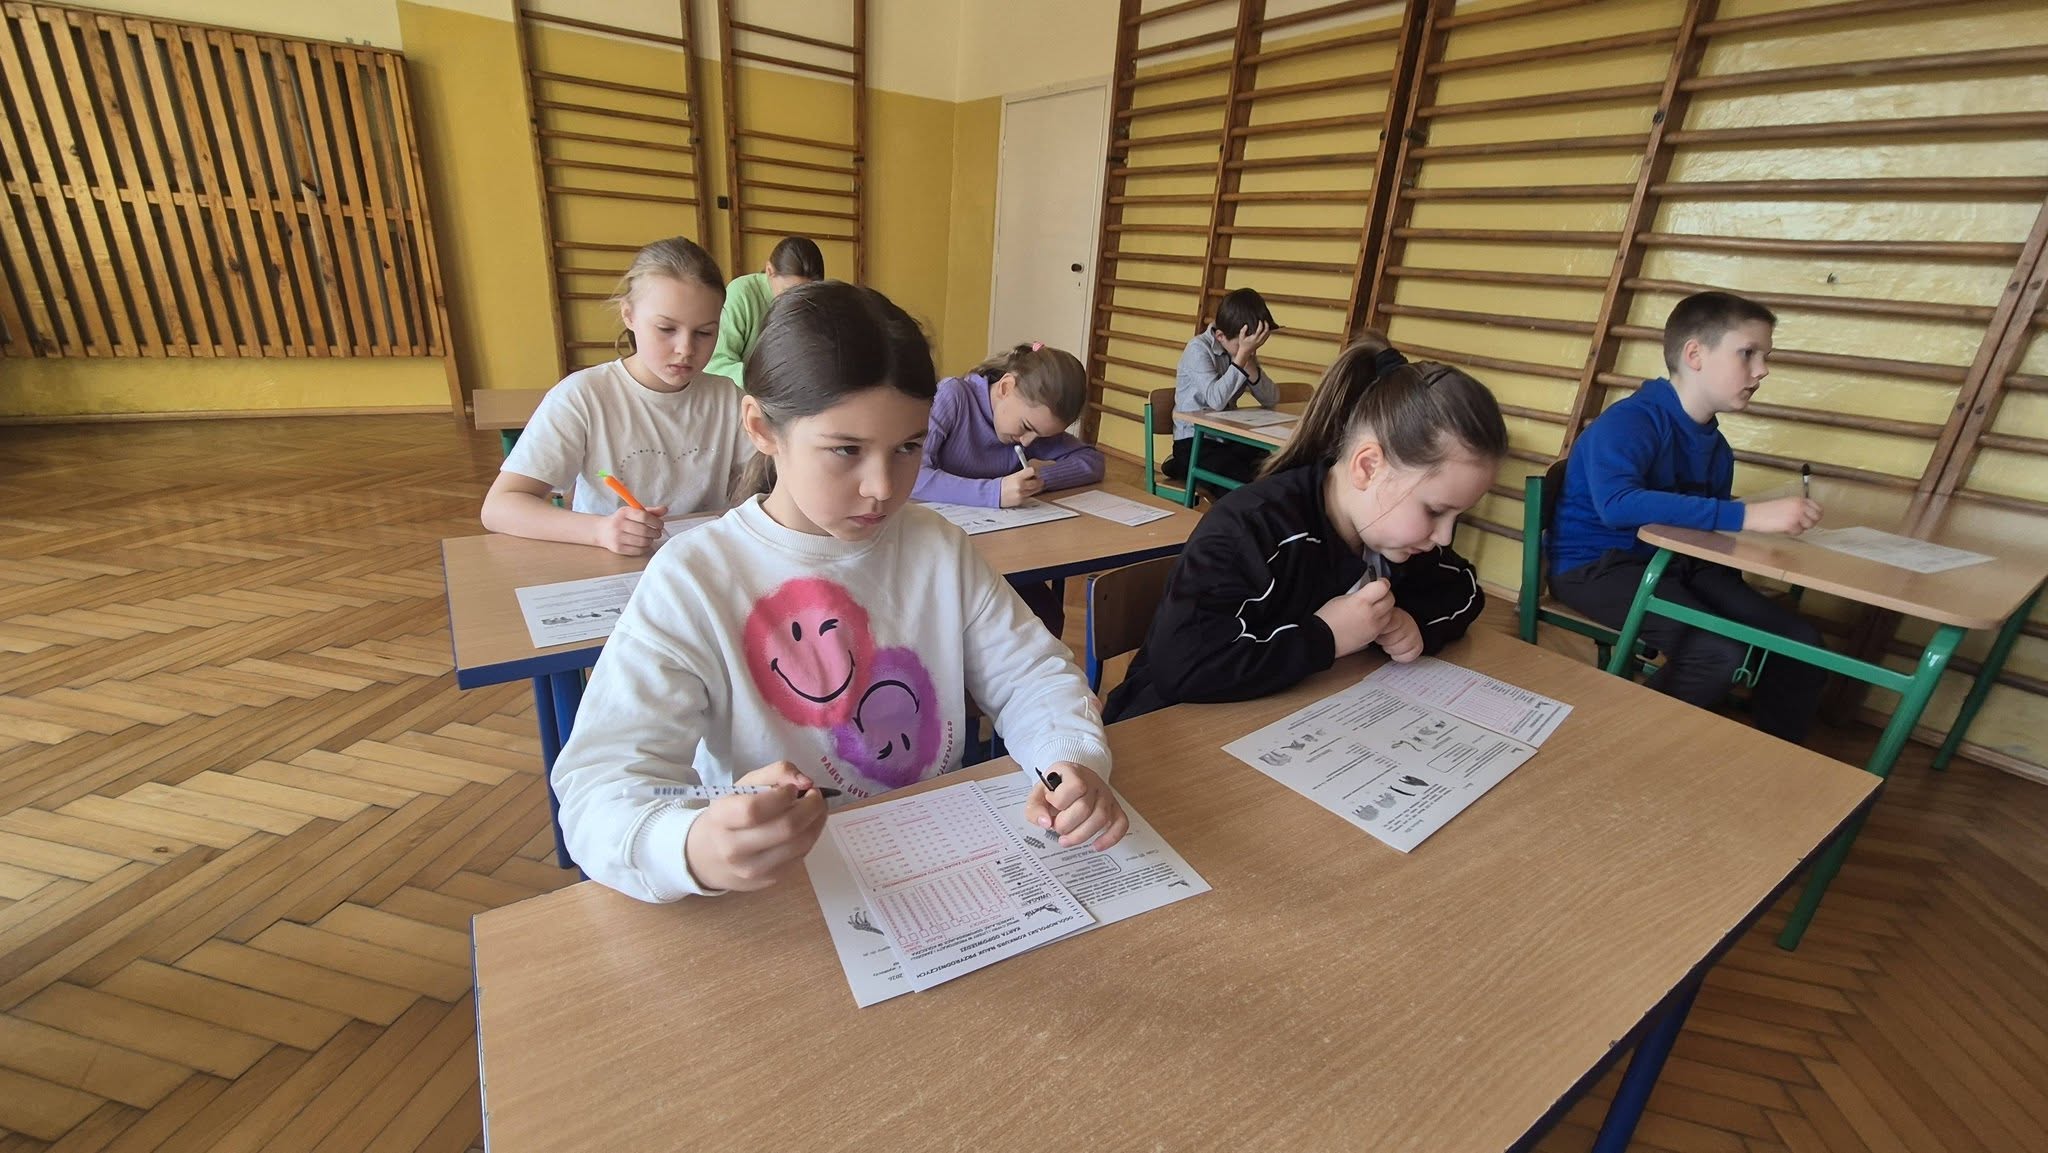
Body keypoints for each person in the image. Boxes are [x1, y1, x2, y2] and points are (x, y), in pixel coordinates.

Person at [552, 281, 1128, 900]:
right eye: (845, 450)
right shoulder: (695, 577)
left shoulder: (937, 547)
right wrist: (690, 847)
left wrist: (1068, 760)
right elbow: (602, 788)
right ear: (762, 427)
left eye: (908, 447)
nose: (882, 486)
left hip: (936, 864)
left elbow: (1032, 677)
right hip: (783, 895)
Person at [1106, 335, 1505, 723]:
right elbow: (1181, 665)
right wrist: (1326, 636)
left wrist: (1414, 621)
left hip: (1290, 721)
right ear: (1368, 467)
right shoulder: (1251, 528)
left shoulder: (1400, 538)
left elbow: (1465, 589)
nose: (1444, 537)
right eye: (1435, 511)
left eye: (1457, 517)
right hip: (1164, 729)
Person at [1548, 291, 1828, 742]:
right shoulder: (1629, 421)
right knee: (1717, 653)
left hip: (1675, 566)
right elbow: (1619, 505)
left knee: (1801, 643)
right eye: (1748, 353)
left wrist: (1753, 540)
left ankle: (1776, 757)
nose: (1762, 370)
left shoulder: (1717, 448)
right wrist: (1747, 516)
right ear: (1695, 355)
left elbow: (1704, 531)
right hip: (1597, 568)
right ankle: (1623, 746)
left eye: (1766, 357)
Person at [481, 236, 750, 556]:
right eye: (666, 329)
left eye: (705, 332)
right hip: (609, 561)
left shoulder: (729, 399)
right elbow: (499, 507)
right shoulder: (583, 397)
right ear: (629, 315)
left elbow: (771, 484)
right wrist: (600, 531)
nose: (685, 349)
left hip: (697, 560)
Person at [913, 341, 1107, 633]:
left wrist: (1038, 481)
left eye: (1041, 436)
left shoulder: (1032, 427)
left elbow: (1092, 461)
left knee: (1046, 617)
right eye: (1026, 427)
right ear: (1005, 387)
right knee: (959, 625)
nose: (1028, 442)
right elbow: (914, 476)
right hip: (937, 549)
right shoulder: (954, 397)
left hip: (997, 548)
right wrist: (995, 492)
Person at [1166, 287, 1281, 489]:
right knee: (1242, 483)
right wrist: (1241, 357)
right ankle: (1181, 465)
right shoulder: (1198, 349)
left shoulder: (1239, 350)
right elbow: (1216, 400)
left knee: (1273, 470)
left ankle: (1180, 467)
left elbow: (1271, 398)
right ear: (1220, 336)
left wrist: (1249, 361)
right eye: (1244, 346)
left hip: (1227, 437)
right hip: (1195, 441)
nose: (1250, 351)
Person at [703, 236, 825, 390]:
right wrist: (770, 380)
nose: (796, 300)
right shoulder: (742, 293)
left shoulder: (815, 300)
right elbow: (715, 363)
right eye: (788, 291)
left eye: (805, 294)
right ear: (769, 271)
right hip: (742, 392)